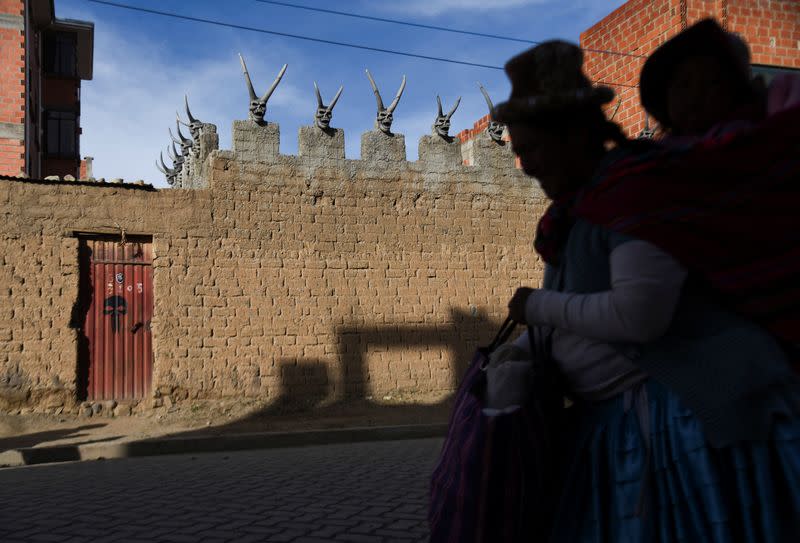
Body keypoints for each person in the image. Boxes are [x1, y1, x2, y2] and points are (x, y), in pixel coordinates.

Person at [492, 39, 800, 542]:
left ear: (573, 136)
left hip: (681, 431)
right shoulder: (582, 211)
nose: (525, 166)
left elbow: (640, 315)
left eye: (532, 150)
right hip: (618, 429)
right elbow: (588, 306)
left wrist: (538, 306)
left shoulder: (635, 193)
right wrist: (522, 350)